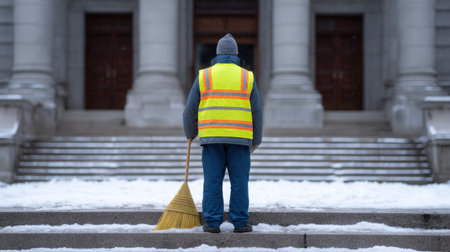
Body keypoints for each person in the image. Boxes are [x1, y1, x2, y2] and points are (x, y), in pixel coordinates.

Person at [183, 33, 263, 233]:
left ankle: (212, 222)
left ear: (217, 54)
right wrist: (256, 139)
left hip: (211, 138)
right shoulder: (247, 76)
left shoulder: (204, 75)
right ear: (236, 53)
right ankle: (240, 222)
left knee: (212, 181)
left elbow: (190, 110)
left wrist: (190, 132)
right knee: (239, 182)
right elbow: (257, 111)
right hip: (240, 137)